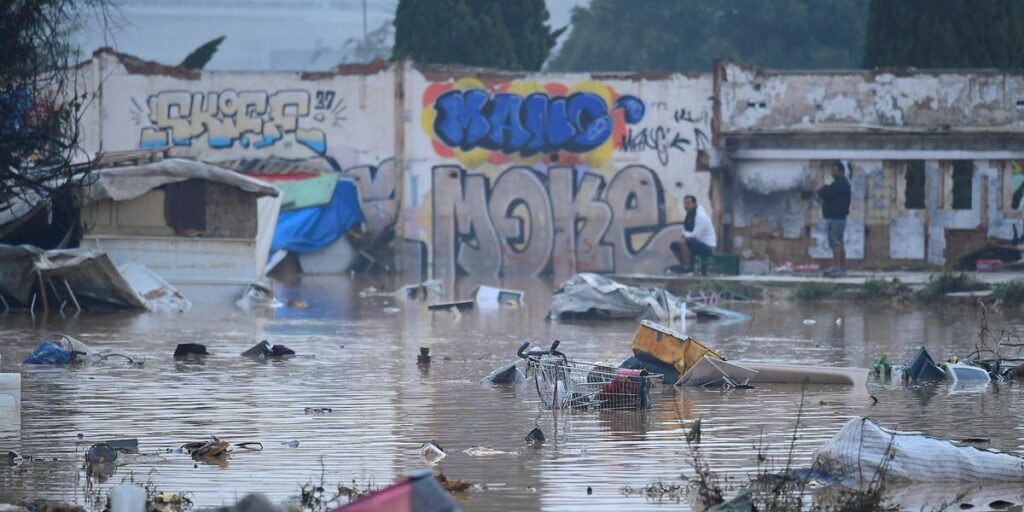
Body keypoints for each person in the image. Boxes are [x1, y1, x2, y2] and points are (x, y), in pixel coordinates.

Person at [816, 160, 852, 277]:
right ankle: (841, 267)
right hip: (840, 219)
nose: (832, 173)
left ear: (841, 171)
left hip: (834, 219)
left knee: (835, 244)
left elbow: (827, 194)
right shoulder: (843, 184)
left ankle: (837, 268)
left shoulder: (839, 184)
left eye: (834, 170)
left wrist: (819, 188)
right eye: (832, 170)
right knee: (840, 243)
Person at [669, 195, 716, 274]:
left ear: (694, 204)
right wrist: (686, 235)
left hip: (707, 246)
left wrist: (685, 235)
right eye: (685, 204)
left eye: (688, 204)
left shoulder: (701, 216)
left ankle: (687, 268)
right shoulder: (689, 216)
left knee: (682, 242)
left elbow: (696, 235)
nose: (686, 206)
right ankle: (683, 265)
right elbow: (685, 232)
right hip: (695, 243)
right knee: (674, 245)